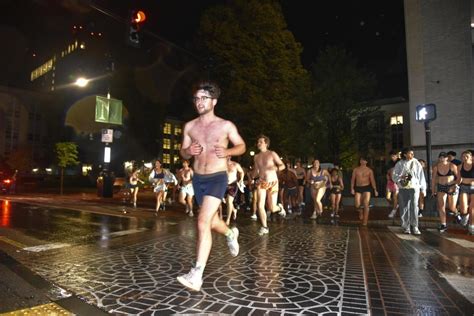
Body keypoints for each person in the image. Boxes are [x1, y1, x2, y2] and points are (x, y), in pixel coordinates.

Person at [176, 80, 246, 292]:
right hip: (198, 179)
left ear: (214, 101)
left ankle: (197, 274)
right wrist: (189, 152)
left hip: (217, 177)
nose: (199, 102)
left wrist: (228, 152)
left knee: (202, 221)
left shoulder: (225, 125)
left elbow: (241, 146)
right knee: (212, 222)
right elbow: (182, 151)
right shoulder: (190, 126)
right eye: (197, 98)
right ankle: (230, 234)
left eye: (204, 98)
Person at [253, 134, 286, 236]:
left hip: (273, 182)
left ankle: (280, 208)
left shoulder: (272, 154)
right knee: (260, 204)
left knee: (272, 208)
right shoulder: (256, 157)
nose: (258, 144)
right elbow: (257, 171)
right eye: (258, 142)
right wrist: (252, 177)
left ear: (266, 143)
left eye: (261, 142)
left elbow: (282, 165)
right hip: (262, 182)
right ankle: (265, 227)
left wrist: (275, 168)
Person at [392, 147, 426, 235]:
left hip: (414, 187)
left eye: (412, 154)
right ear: (405, 154)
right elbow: (394, 176)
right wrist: (401, 177)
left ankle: (415, 226)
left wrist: (423, 189)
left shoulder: (416, 163)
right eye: (410, 153)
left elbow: (421, 176)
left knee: (414, 206)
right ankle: (406, 227)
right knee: (404, 207)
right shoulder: (399, 164)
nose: (412, 155)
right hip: (403, 188)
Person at [431, 152, 458, 233]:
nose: (441, 159)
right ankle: (443, 224)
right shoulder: (436, 167)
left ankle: (456, 213)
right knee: (441, 206)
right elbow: (433, 179)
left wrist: (453, 184)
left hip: (451, 186)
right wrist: (433, 190)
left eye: (443, 157)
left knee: (451, 207)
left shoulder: (452, 166)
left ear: (447, 158)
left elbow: (459, 178)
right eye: (440, 157)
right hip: (441, 187)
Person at [351, 157, 378, 226]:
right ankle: (360, 211)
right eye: (361, 160)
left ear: (366, 162)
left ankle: (365, 221)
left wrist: (375, 190)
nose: (362, 161)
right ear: (360, 161)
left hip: (367, 188)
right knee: (357, 205)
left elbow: (372, 180)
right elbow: (353, 180)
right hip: (358, 188)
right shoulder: (356, 170)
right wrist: (352, 188)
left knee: (366, 204)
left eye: (364, 160)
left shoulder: (369, 170)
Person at [224, 157, 244, 226]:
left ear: (230, 156)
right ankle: (234, 210)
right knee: (226, 202)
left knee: (229, 201)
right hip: (224, 185)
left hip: (233, 185)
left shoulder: (235, 164)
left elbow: (241, 172)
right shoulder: (221, 165)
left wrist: (241, 179)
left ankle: (228, 219)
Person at [457, 150, 473, 234]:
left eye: (467, 156)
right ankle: (465, 215)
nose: (465, 158)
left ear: (471, 157)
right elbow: (459, 179)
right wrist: (455, 186)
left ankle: (471, 226)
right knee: (463, 209)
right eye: (463, 156)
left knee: (472, 208)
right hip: (463, 186)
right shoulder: (460, 166)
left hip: (473, 187)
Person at [386, 151, 400, 219]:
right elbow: (388, 171)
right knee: (388, 197)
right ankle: (395, 204)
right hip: (390, 182)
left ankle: (394, 210)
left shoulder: (400, 162)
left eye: (394, 156)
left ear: (397, 156)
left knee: (395, 197)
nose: (393, 157)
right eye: (391, 156)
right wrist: (387, 176)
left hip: (396, 182)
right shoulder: (389, 163)